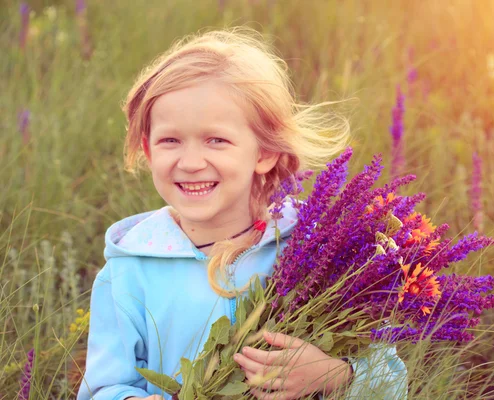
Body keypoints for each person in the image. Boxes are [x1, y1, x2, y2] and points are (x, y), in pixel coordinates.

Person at [77, 27, 407, 400]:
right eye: (170, 140)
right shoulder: (129, 271)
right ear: (149, 151)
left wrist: (335, 376)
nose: (190, 162)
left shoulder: (317, 251)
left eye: (216, 140)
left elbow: (392, 380)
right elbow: (103, 387)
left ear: (264, 153)